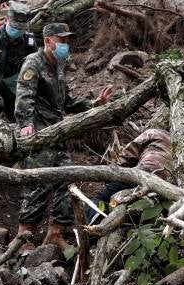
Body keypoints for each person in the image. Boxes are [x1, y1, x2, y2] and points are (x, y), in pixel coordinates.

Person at [15, 22, 114, 248]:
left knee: (67, 180)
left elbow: (66, 100)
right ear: (48, 41)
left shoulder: (58, 64)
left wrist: (93, 104)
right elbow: (23, 97)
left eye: (67, 40)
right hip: (38, 133)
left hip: (57, 131)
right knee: (38, 181)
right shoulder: (33, 64)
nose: (65, 45)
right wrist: (26, 126)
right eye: (61, 40)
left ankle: (56, 232)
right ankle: (25, 235)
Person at [89, 129, 172, 221]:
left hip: (144, 172)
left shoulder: (154, 132)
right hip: (167, 186)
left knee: (99, 198)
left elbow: (128, 155)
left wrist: (113, 176)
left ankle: (97, 217)